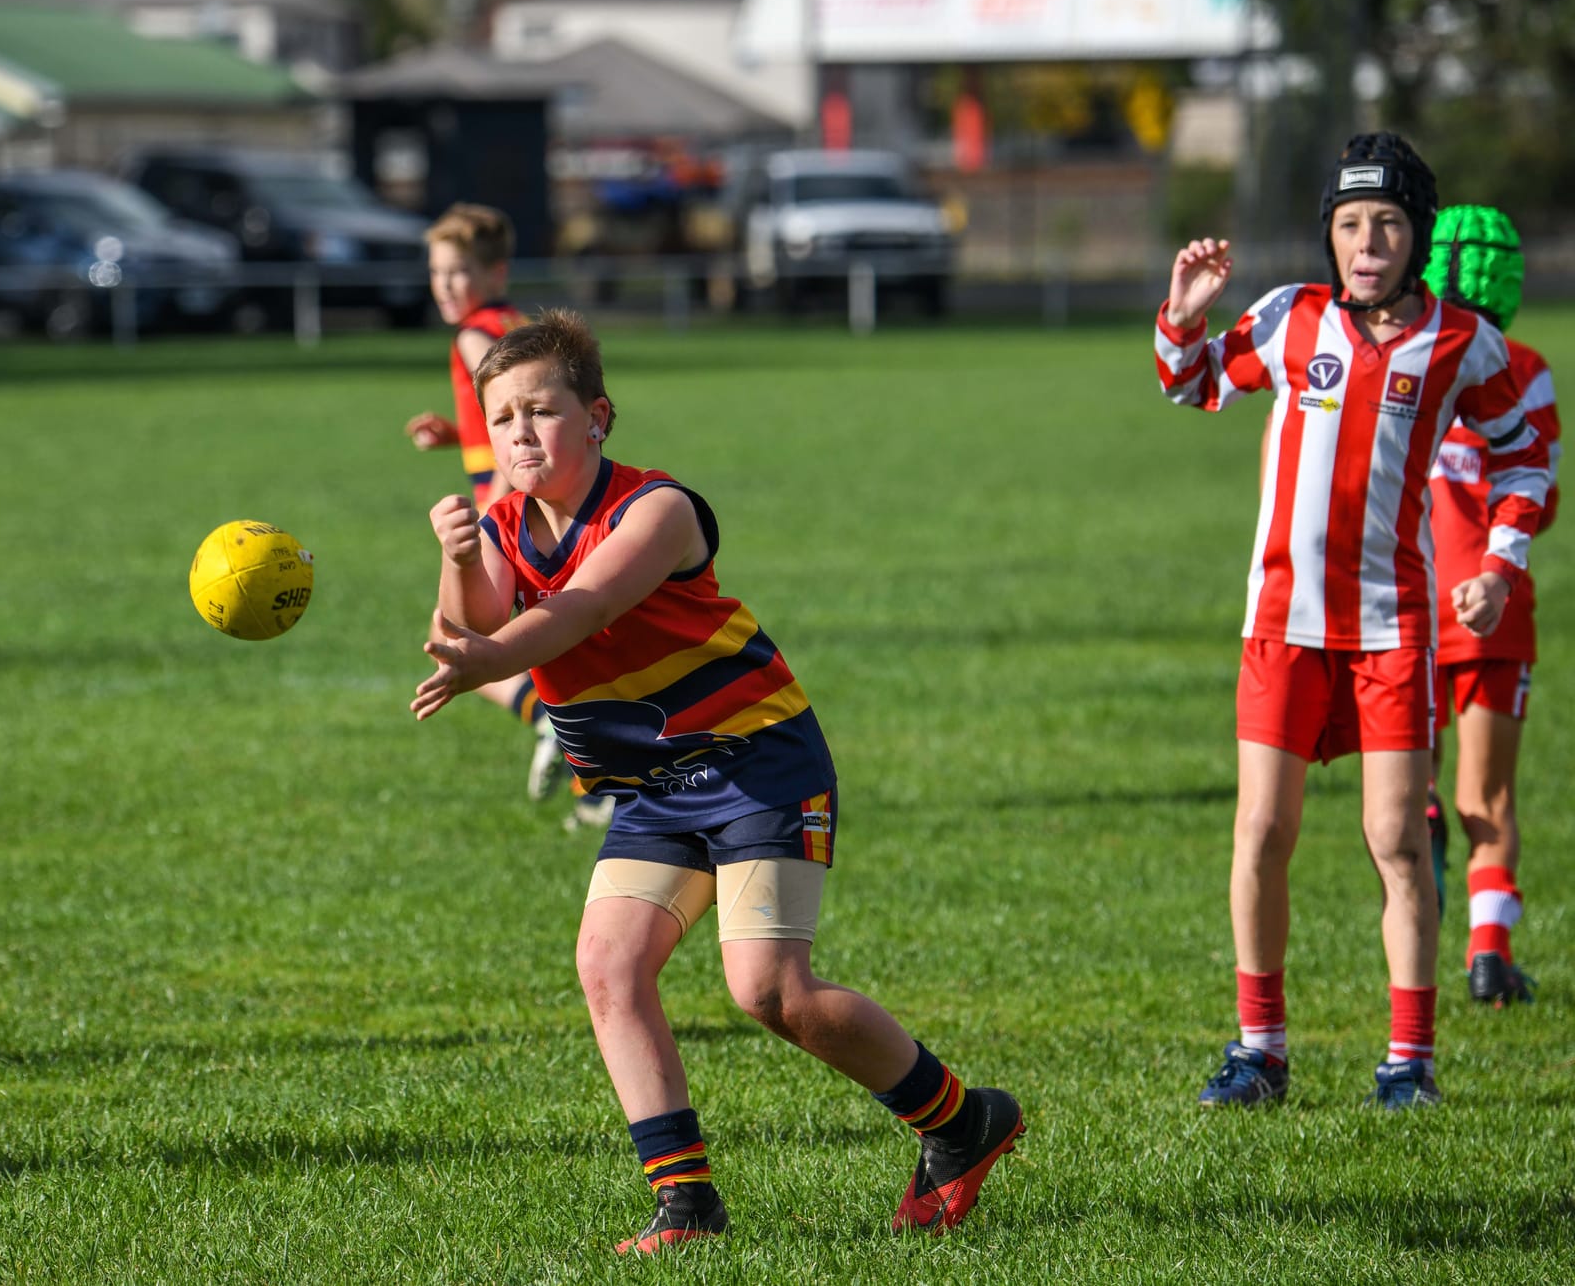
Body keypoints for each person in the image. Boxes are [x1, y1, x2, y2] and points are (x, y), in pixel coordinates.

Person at [412, 309, 1022, 1251]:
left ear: (598, 417)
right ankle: (686, 1206)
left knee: (770, 991)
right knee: (609, 964)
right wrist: (458, 564)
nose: (520, 432)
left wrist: (487, 656)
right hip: (654, 787)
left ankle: (962, 1120)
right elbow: (471, 625)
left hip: (756, 761)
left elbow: (579, 609)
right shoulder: (502, 523)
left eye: (542, 410)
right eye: (501, 419)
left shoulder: (656, 510)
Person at [1154, 134, 1552, 1110]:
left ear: (1417, 236)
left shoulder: (1461, 342)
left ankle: (1408, 1062)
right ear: (1325, 234)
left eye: (1386, 224)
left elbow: (1525, 455)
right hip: (1280, 623)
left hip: (1391, 627)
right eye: (1347, 224)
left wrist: (1500, 566)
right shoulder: (1289, 318)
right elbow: (1193, 381)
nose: (1365, 243)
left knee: (1396, 840)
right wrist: (1183, 315)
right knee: (1260, 830)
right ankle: (1260, 1050)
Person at [1420, 204, 1558, 1006]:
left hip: (1405, 600)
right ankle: (1488, 958)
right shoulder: (1528, 368)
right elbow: (1544, 498)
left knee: (1413, 781)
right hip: (1495, 606)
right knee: (1492, 796)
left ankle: (1423, 816)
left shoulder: (1411, 357)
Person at [401, 204, 574, 807]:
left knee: (452, 636)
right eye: (437, 272)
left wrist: (494, 514)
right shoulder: (512, 323)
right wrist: (459, 434)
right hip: (540, 495)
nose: (445, 285)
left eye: (459, 271)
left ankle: (553, 727)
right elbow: (519, 411)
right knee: (551, 641)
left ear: (495, 272)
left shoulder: (474, 334)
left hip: (512, 502)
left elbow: (515, 421)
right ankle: (590, 776)